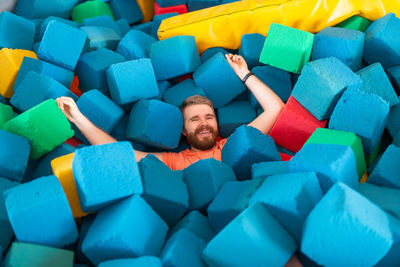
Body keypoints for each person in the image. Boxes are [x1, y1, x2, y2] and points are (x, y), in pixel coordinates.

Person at [56, 53, 285, 170]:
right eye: (194, 119)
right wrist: (78, 118)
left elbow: (275, 109)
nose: (204, 123)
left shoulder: (234, 144)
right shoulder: (176, 162)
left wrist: (243, 73)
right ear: (184, 132)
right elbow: (123, 156)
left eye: (209, 117)